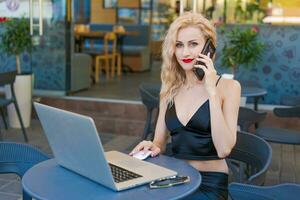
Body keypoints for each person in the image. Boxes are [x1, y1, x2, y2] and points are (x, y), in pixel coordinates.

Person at [130, 12, 241, 200]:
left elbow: (224, 150)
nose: (185, 53)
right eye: (179, 45)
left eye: (193, 44)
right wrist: (151, 145)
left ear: (209, 47)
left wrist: (211, 91)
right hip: (175, 177)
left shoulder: (229, 88)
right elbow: (160, 143)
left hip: (210, 183)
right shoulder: (170, 88)